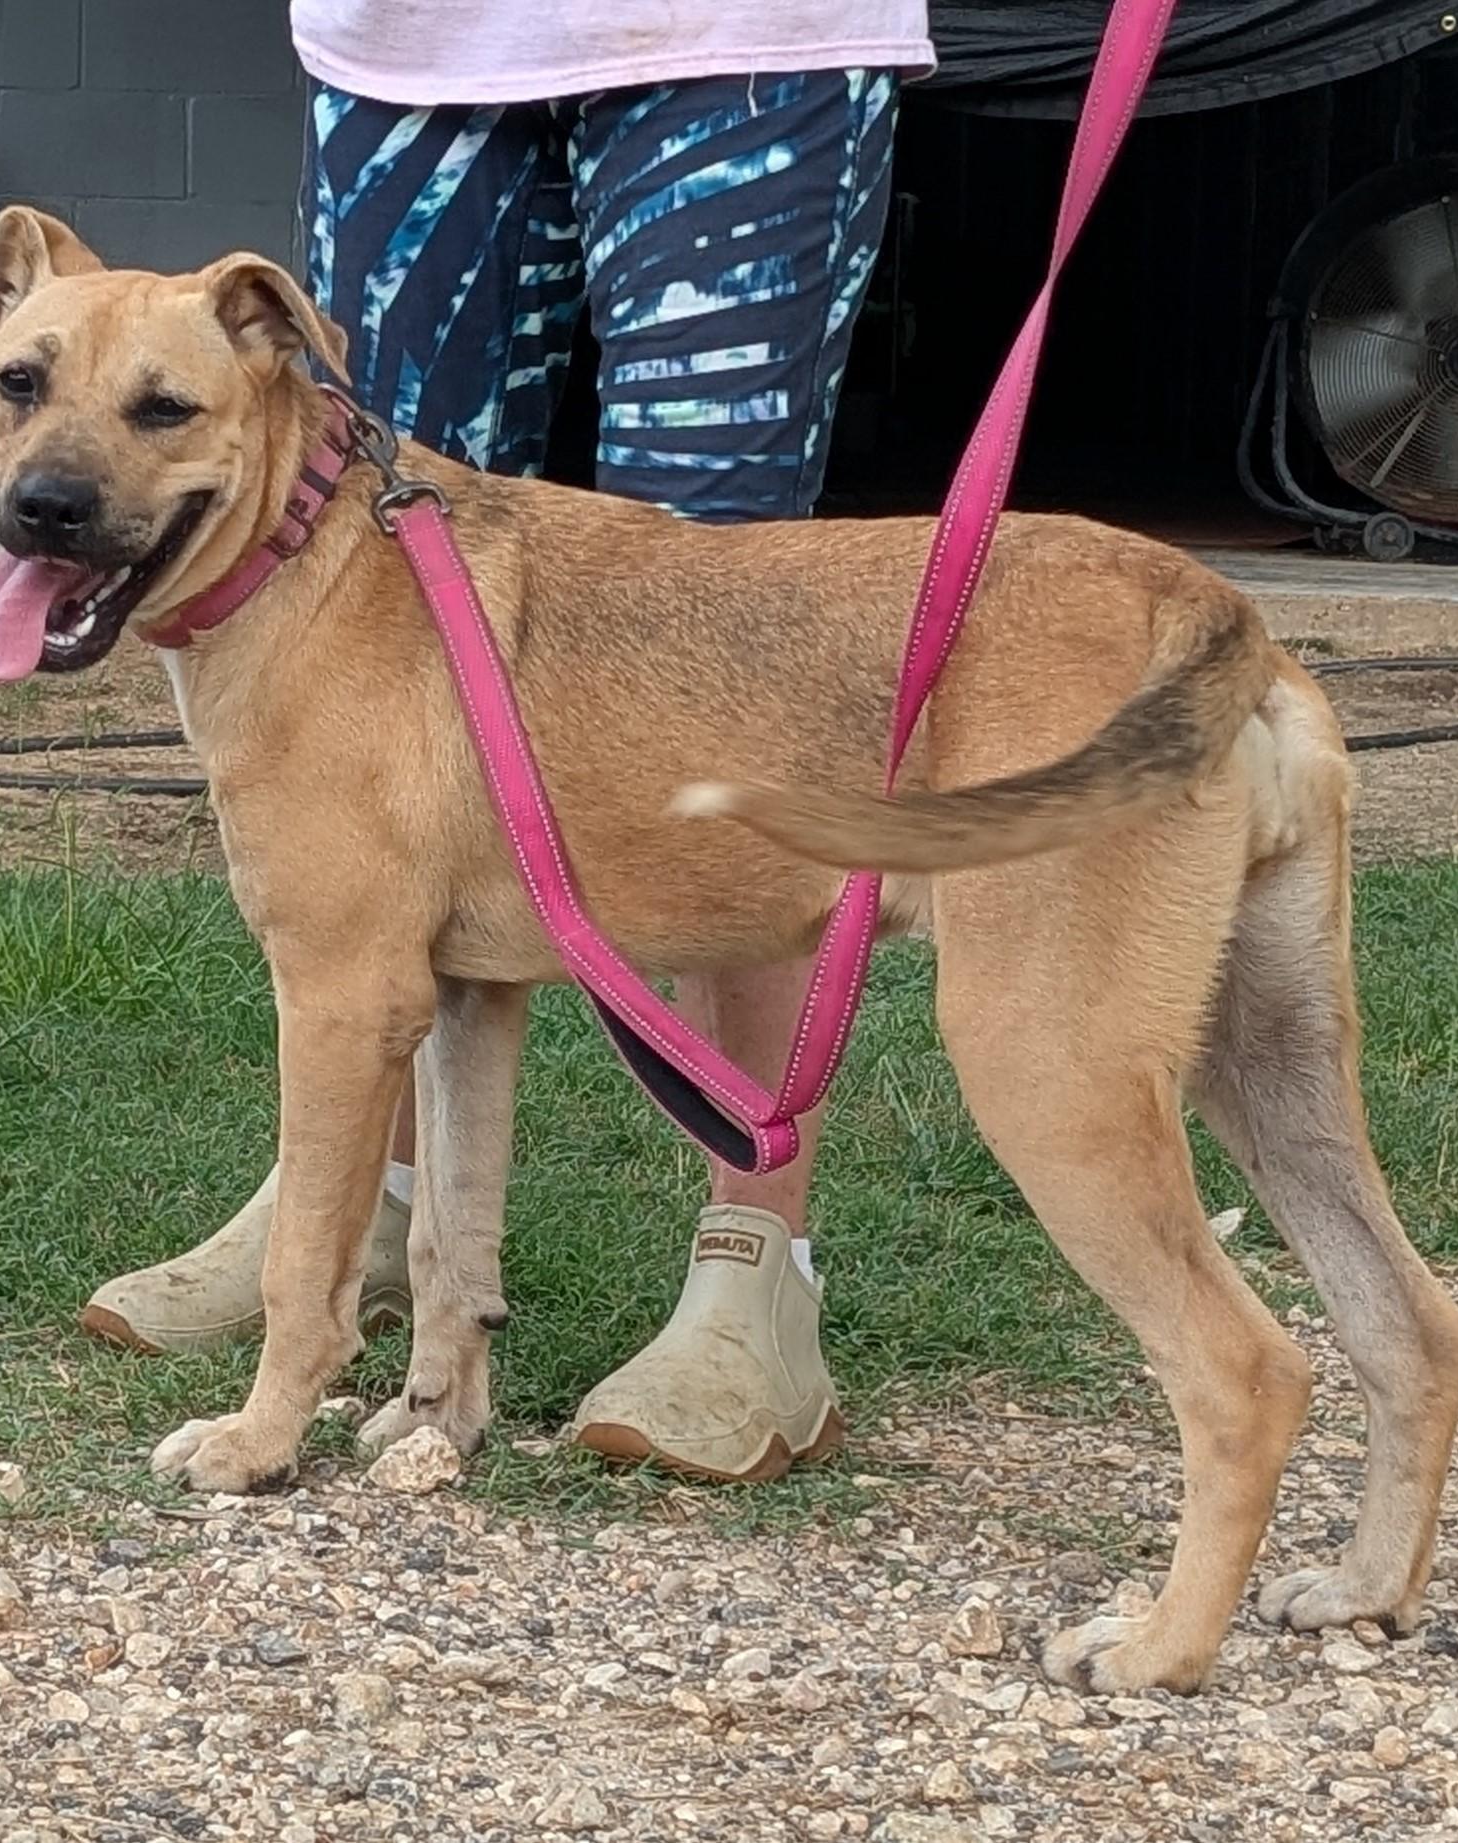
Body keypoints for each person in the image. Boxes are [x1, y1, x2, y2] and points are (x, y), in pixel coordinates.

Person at [81, 1, 936, 1484]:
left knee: (709, 684)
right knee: (361, 658)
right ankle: (367, 1226)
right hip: (408, 51)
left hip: (736, 42)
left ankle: (752, 1264)